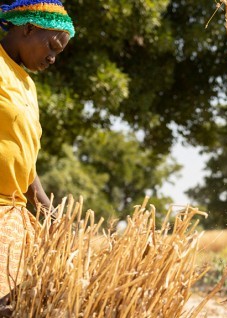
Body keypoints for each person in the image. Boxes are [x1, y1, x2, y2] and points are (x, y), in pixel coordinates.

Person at [0, 0, 74, 299]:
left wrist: (47, 209)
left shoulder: (27, 85)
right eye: (52, 47)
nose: (53, 58)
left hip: (12, 213)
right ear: (28, 28)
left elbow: (23, 157)